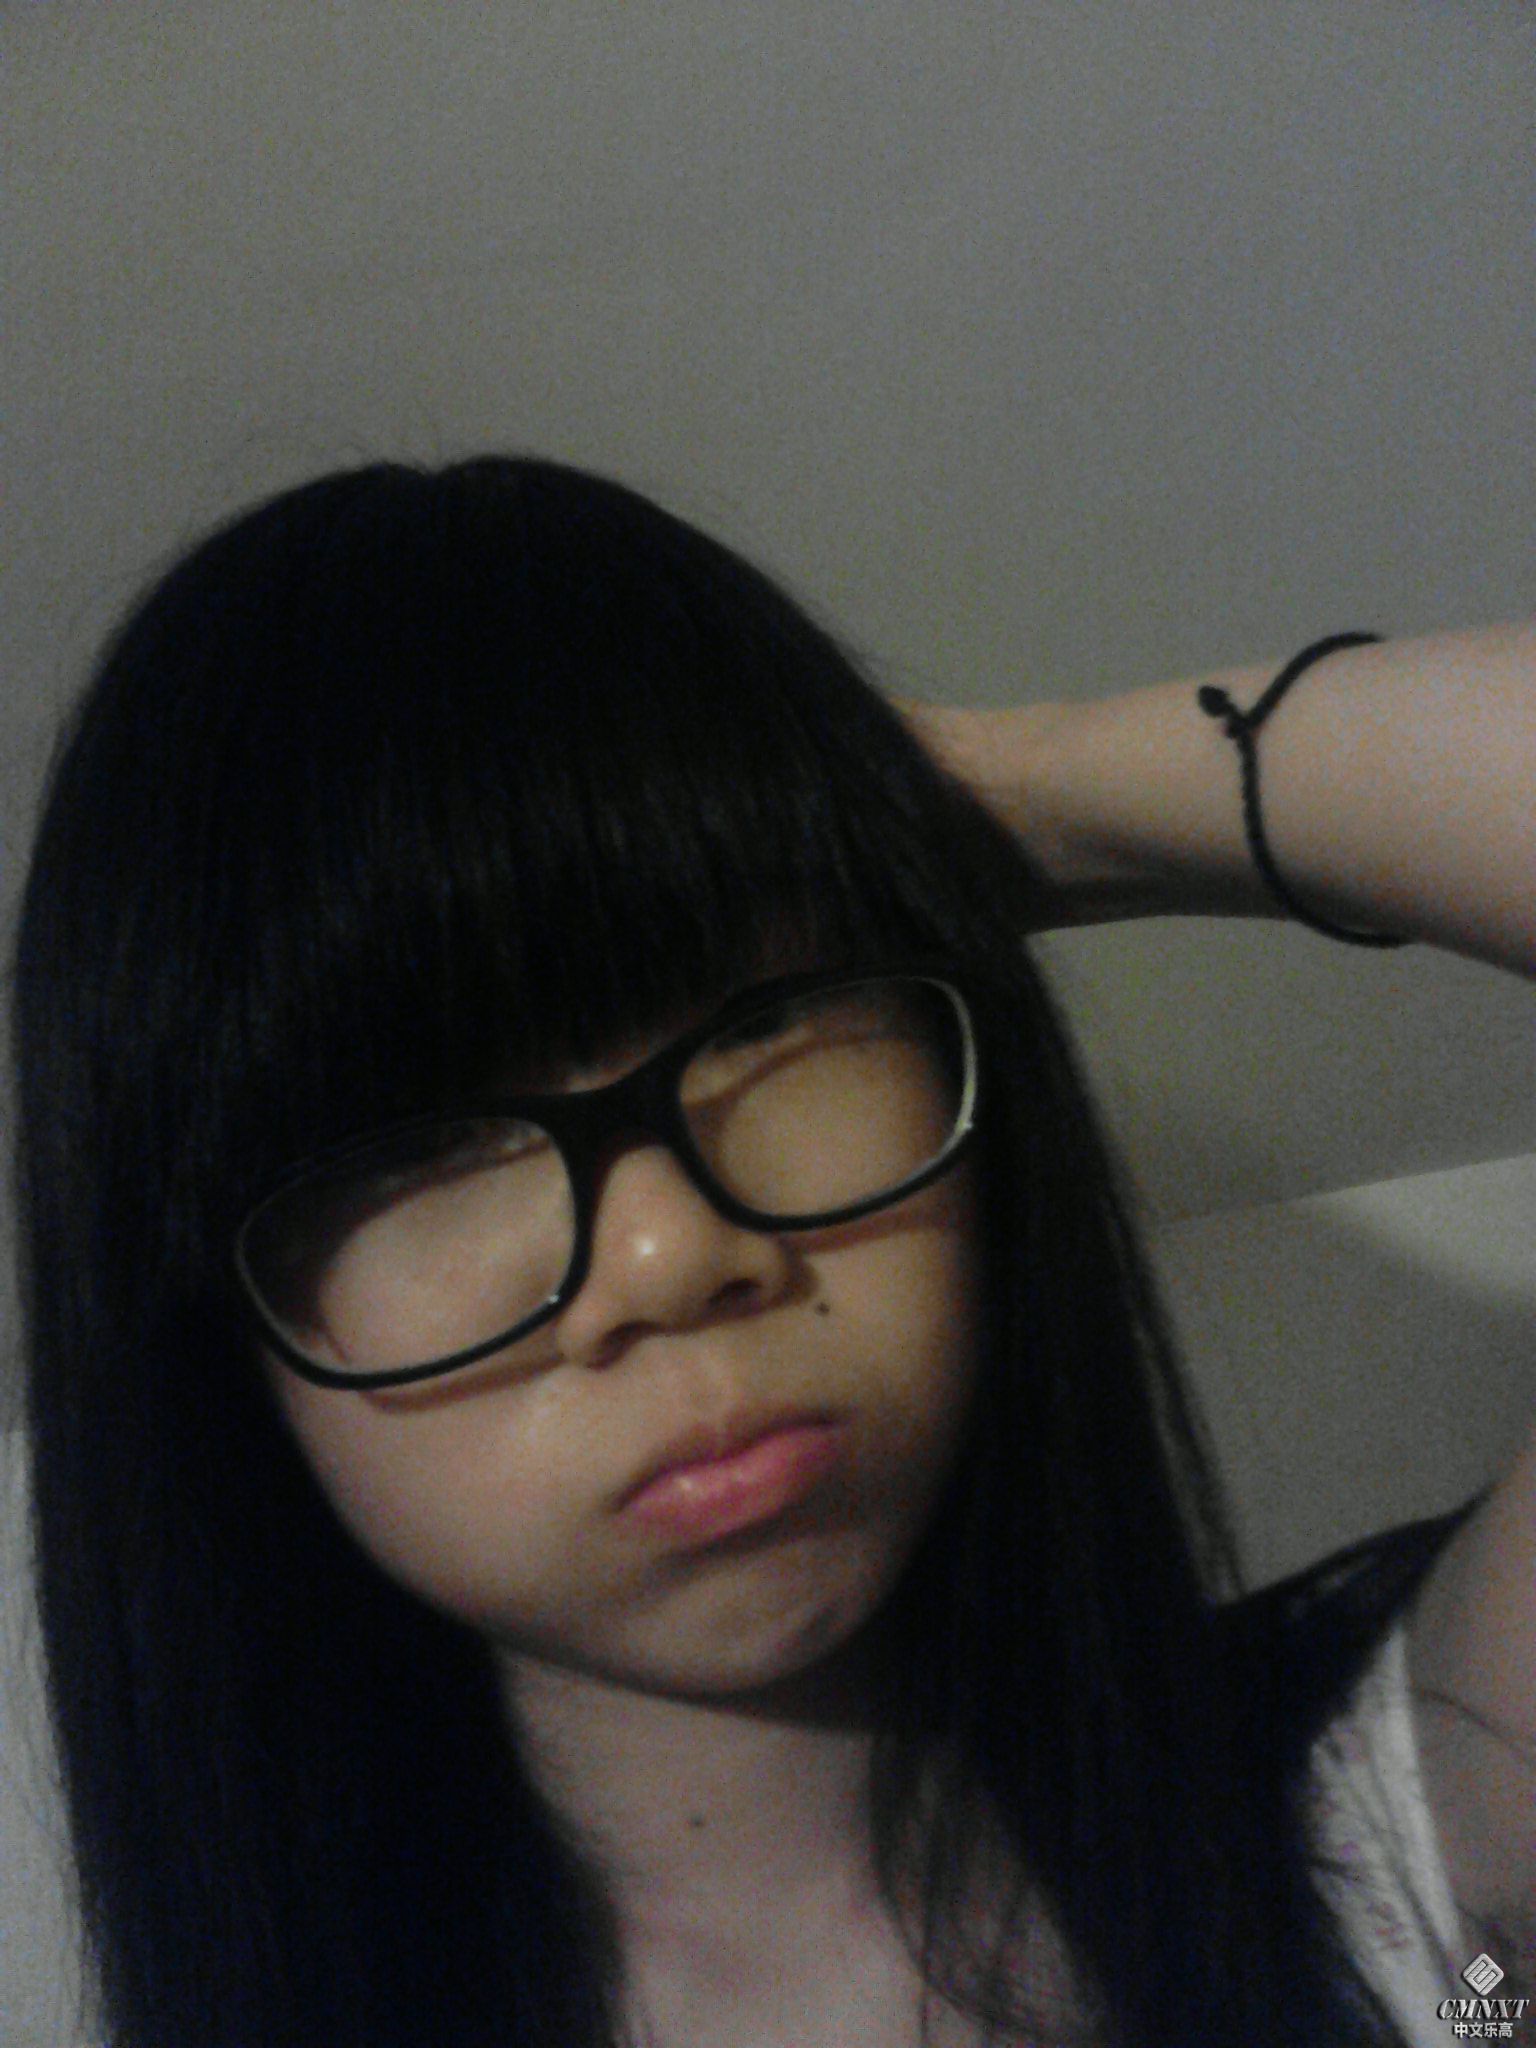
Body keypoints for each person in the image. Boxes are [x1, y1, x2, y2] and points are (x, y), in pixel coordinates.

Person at [9, 454, 1532, 2048]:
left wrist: (1003, 800)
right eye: (421, 1142)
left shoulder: (1424, 1885)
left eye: (773, 1019)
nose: (672, 1252)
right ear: (213, 1337)